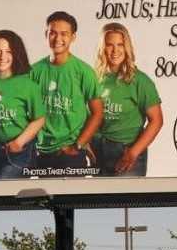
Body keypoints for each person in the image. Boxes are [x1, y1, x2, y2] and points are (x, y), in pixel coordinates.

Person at [30, 11, 103, 171]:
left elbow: (97, 113)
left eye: (64, 34)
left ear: (73, 37)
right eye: (53, 33)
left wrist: (78, 145)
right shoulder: (34, 71)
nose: (58, 39)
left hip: (71, 154)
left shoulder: (84, 71)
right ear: (46, 34)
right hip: (42, 152)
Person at [92, 22, 163, 176]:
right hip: (98, 150)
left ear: (127, 47)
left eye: (120, 45)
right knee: (100, 199)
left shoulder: (140, 81)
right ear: (102, 48)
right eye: (110, 45)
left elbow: (157, 120)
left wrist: (133, 153)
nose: (115, 50)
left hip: (126, 151)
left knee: (127, 200)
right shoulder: (94, 78)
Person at [0, 30, 46, 179]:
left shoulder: (27, 85)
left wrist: (19, 142)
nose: (2, 57)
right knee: (1, 198)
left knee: (0, 191)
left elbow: (39, 119)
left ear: (16, 54)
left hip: (19, 152)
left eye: (8, 51)